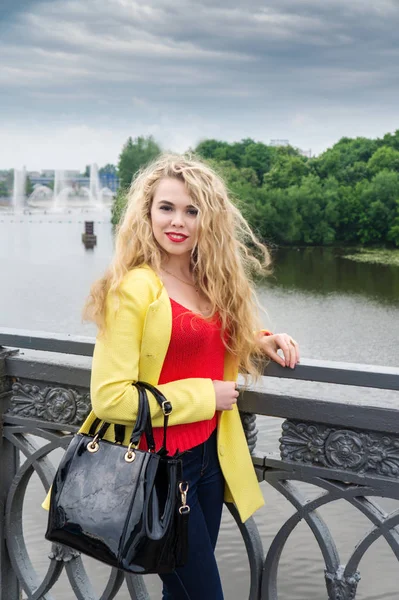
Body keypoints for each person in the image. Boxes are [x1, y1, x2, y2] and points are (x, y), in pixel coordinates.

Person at [43, 153, 299, 599]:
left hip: (208, 461)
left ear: (208, 219)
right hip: (158, 468)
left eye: (191, 210)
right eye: (167, 207)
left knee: (180, 594)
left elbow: (202, 346)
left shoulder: (210, 280)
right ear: (147, 211)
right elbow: (109, 398)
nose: (177, 221)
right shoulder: (134, 287)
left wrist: (258, 341)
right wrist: (205, 395)